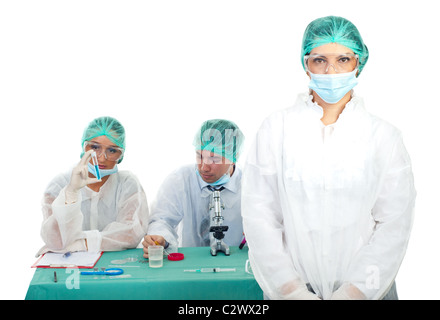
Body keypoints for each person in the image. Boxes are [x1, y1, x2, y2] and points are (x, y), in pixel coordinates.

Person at [241, 16, 416, 300]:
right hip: (292, 289)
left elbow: (394, 225)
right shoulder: (277, 130)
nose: (332, 71)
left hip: (369, 290)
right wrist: (290, 290)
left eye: (343, 59)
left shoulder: (384, 137)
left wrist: (356, 292)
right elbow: (259, 215)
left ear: (359, 63)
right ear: (306, 64)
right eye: (320, 60)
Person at [37, 116, 149, 256]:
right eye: (95, 147)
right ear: (84, 147)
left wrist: (82, 244)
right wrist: (71, 193)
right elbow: (54, 239)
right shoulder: (58, 185)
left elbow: (132, 232)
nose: (102, 158)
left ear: (121, 155)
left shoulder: (127, 184)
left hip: (114, 264)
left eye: (112, 151)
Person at [142, 119, 245, 257]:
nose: (204, 167)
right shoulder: (180, 179)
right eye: (200, 156)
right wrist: (161, 239)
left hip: (237, 260)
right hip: (191, 261)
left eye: (214, 159)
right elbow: (162, 219)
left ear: (233, 157)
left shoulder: (250, 185)